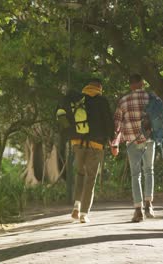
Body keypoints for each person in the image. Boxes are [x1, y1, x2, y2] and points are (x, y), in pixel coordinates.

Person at [56, 78, 114, 223]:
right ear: (99, 88)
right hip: (96, 145)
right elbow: (109, 123)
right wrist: (113, 142)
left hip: (77, 143)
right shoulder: (102, 101)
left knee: (80, 174)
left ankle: (76, 206)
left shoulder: (77, 100)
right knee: (91, 178)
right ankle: (83, 214)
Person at [111, 74, 156, 223]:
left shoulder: (123, 101)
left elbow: (116, 125)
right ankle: (149, 205)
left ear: (130, 85)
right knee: (149, 171)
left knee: (135, 175)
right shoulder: (150, 97)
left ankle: (138, 210)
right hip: (149, 140)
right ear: (142, 83)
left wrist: (114, 144)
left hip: (131, 141)